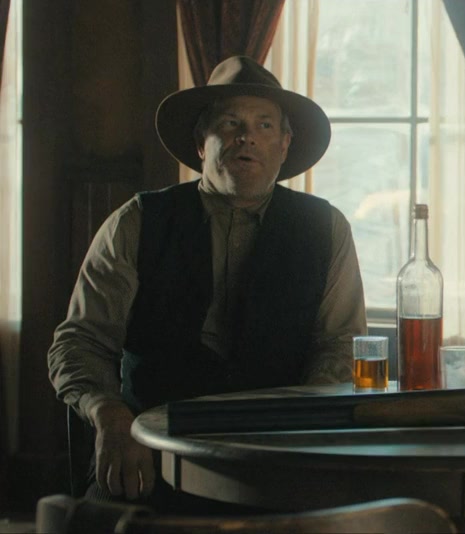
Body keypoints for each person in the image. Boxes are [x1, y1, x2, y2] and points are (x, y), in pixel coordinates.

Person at [47, 56, 367, 504]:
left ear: (284, 145)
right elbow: (79, 342)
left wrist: (300, 422)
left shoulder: (326, 228)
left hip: (277, 456)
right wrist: (110, 416)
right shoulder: (138, 222)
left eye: (264, 125)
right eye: (230, 122)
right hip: (151, 452)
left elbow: (340, 344)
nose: (246, 137)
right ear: (201, 142)